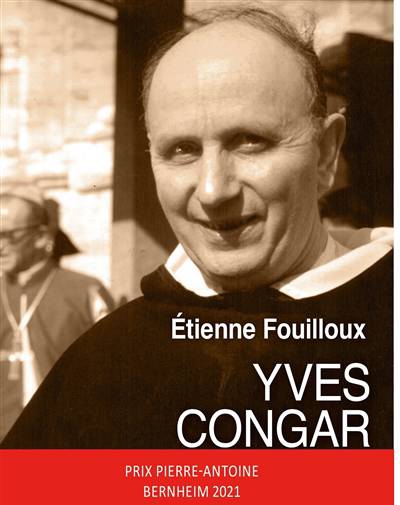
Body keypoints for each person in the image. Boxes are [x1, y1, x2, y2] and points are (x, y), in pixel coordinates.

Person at [2, 7, 392, 449]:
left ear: (325, 154)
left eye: (250, 141)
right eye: (182, 150)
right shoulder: (108, 359)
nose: (211, 191)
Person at [0, 183, 114, 440]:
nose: (0, 246)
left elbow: (113, 374)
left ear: (41, 237)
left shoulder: (85, 292)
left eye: (9, 235)